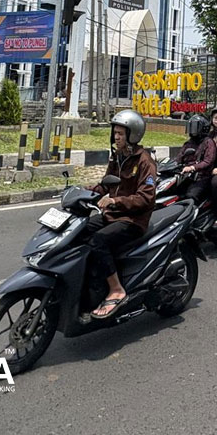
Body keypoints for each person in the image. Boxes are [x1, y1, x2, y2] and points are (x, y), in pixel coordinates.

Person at [85, 109, 157, 320]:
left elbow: (146, 198)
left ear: (132, 135)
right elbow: (105, 185)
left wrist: (116, 201)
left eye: (120, 134)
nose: (116, 137)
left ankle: (116, 289)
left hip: (132, 220)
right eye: (114, 133)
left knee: (98, 240)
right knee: (79, 230)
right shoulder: (117, 157)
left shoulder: (145, 162)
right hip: (112, 215)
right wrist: (83, 191)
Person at [178, 114, 217, 208]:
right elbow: (179, 158)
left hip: (202, 177)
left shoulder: (208, 142)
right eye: (191, 127)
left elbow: (208, 161)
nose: (192, 130)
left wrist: (192, 167)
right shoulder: (189, 143)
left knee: (190, 196)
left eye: (195, 127)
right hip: (188, 177)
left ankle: (193, 218)